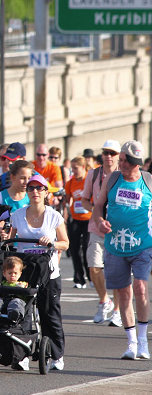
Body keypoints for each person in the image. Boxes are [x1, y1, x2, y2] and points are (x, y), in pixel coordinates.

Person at [92, 140, 152, 360]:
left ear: (137, 163)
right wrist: (99, 221)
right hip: (115, 246)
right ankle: (131, 343)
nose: (121, 163)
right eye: (121, 159)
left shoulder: (148, 182)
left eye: (126, 161)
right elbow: (98, 207)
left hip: (143, 245)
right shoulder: (112, 179)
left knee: (141, 289)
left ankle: (143, 341)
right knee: (124, 294)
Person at [9, 173, 69, 371]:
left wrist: (52, 242)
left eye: (39, 188)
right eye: (31, 188)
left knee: (49, 314)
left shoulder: (54, 216)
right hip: (24, 272)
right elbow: (8, 242)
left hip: (48, 273)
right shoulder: (17, 215)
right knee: (22, 313)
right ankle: (23, 354)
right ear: (26, 192)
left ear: (46, 192)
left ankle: (57, 356)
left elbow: (65, 243)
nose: (35, 192)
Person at [81, 140, 122, 326]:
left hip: (119, 230)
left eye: (112, 153)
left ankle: (117, 311)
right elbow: (84, 200)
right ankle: (104, 300)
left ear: (119, 156)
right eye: (106, 152)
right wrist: (97, 214)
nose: (108, 156)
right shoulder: (94, 174)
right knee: (94, 267)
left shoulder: (124, 174)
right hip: (97, 227)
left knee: (116, 272)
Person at [0, 159, 33, 255]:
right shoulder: (0, 197)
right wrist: (0, 227)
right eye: (22, 178)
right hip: (7, 247)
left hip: (27, 247)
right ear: (12, 177)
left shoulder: (32, 197)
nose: (26, 182)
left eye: (29, 178)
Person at [65, 156, 91, 289]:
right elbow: (68, 202)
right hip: (75, 219)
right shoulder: (70, 183)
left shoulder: (89, 180)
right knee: (74, 249)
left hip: (88, 219)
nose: (73, 171)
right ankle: (79, 279)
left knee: (87, 248)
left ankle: (91, 277)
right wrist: (65, 218)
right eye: (72, 168)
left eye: (76, 168)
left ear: (83, 167)